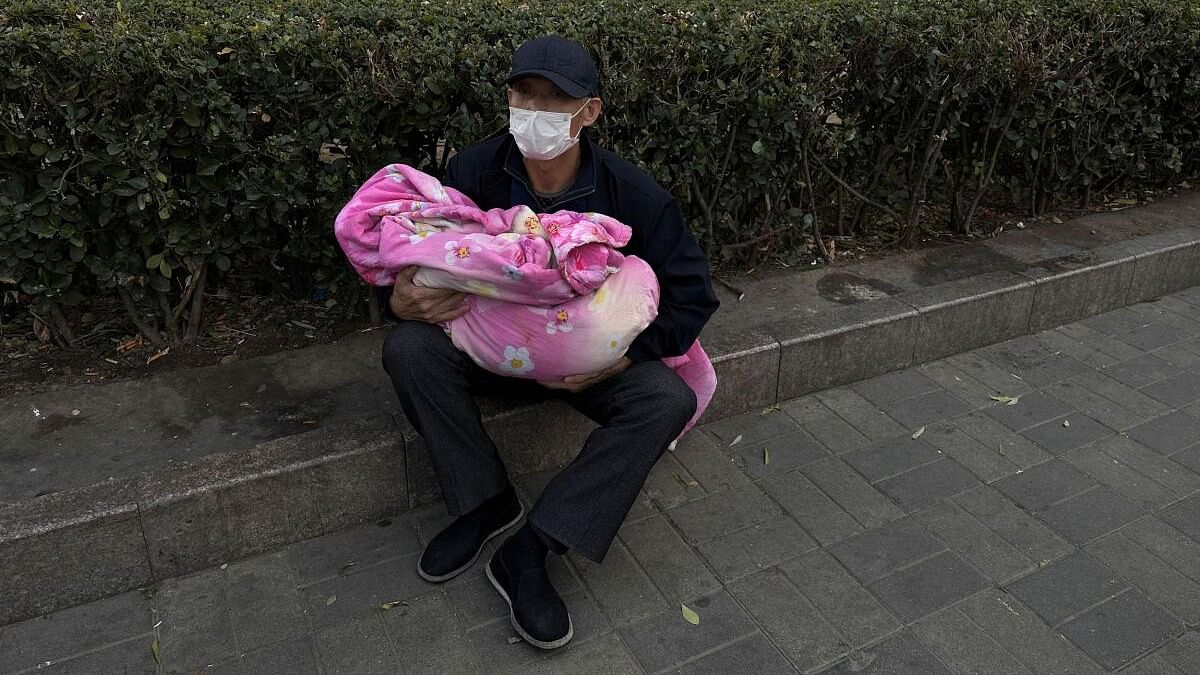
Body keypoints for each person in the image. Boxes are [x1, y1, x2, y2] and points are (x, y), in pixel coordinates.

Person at [377, 35, 719, 650]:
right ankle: (484, 503)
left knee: (665, 400)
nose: (534, 111)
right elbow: (418, 252)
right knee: (407, 348)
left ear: (588, 112)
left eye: (555, 100)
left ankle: (533, 546)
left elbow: (693, 297)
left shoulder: (635, 197)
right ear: (508, 97)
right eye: (524, 94)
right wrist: (397, 300)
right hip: (491, 352)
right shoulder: (471, 172)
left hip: (586, 365)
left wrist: (620, 359)